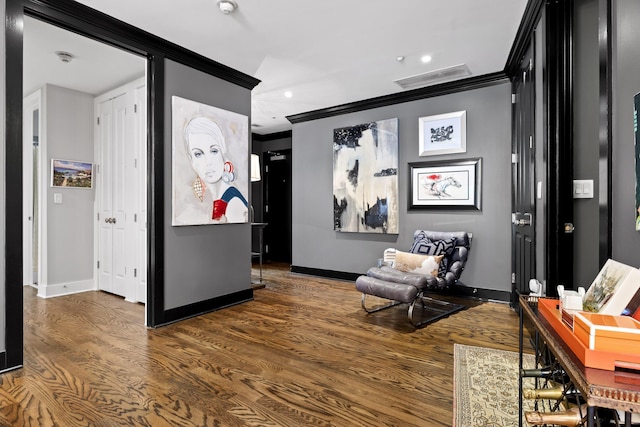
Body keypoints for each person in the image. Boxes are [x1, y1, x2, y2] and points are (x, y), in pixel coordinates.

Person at [183, 116, 248, 223]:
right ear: (192, 161)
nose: (208, 162)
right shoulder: (211, 199)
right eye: (198, 154)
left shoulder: (233, 202)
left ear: (222, 152)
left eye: (213, 151)